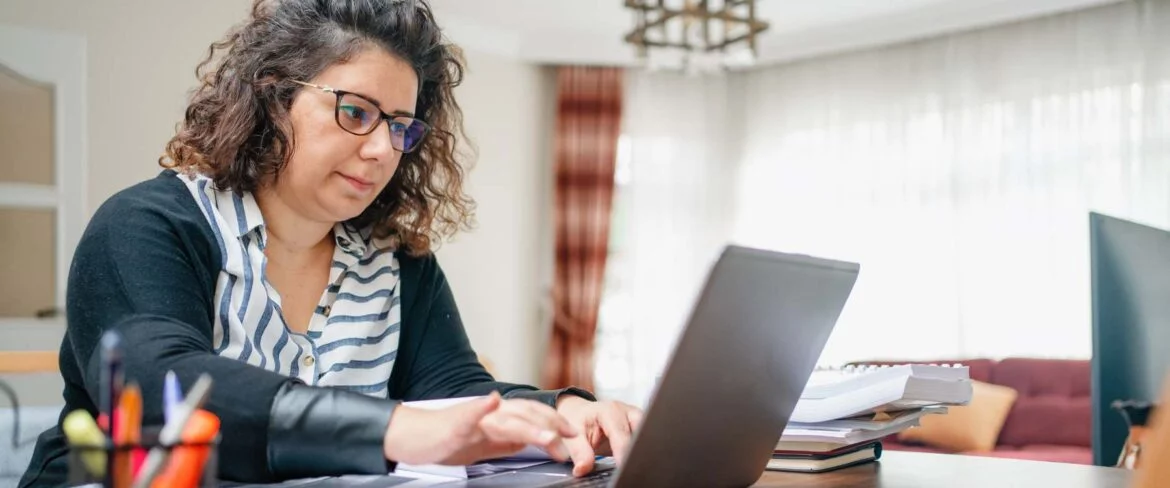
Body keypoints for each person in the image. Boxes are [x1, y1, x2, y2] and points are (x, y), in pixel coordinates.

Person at [18, 0, 641, 485]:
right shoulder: (147, 224)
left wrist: (563, 409)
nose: (381, 149)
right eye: (355, 111)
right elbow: (163, 385)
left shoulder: (398, 262)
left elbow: (456, 394)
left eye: (400, 127)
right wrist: (395, 429)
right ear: (274, 97)